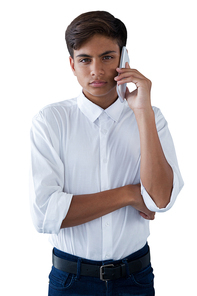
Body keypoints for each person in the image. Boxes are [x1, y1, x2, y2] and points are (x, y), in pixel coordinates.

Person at [29, 11, 184, 296]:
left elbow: (160, 199)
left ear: (124, 59)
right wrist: (128, 194)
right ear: (72, 65)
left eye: (107, 57)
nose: (96, 71)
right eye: (85, 59)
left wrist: (142, 112)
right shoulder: (50, 120)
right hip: (71, 281)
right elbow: (45, 214)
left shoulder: (151, 117)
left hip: (135, 279)